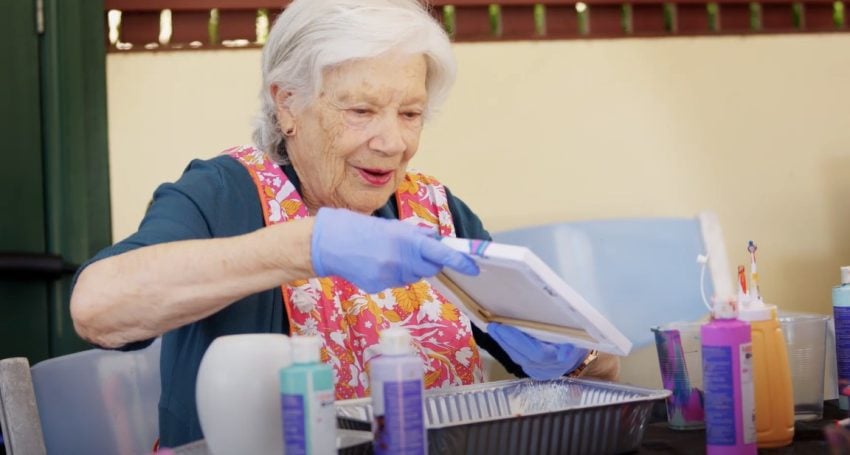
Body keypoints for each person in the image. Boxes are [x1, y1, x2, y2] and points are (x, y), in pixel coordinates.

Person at [70, 0, 619, 448]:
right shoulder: (222, 192)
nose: (393, 142)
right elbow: (98, 309)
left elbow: (592, 379)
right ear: (287, 104)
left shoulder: (434, 209)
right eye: (360, 111)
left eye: (410, 113)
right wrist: (302, 246)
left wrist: (580, 356)